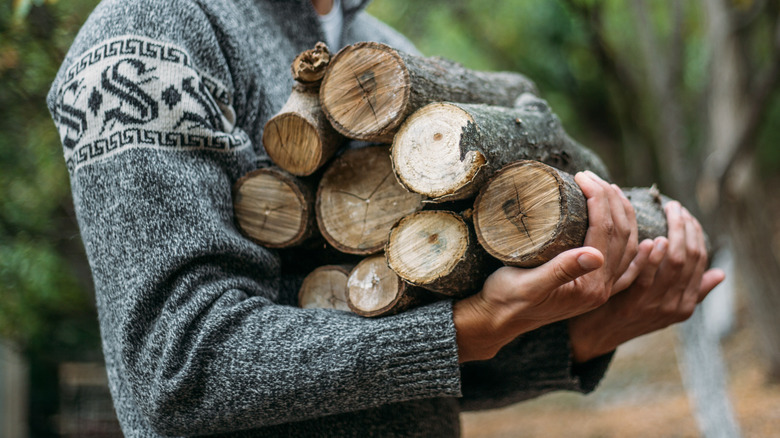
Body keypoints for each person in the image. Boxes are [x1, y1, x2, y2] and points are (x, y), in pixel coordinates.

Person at [47, 0, 724, 436]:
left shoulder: (384, 52)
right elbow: (178, 366)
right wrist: (461, 332)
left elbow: (390, 386)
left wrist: (567, 340)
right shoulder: (145, 35)